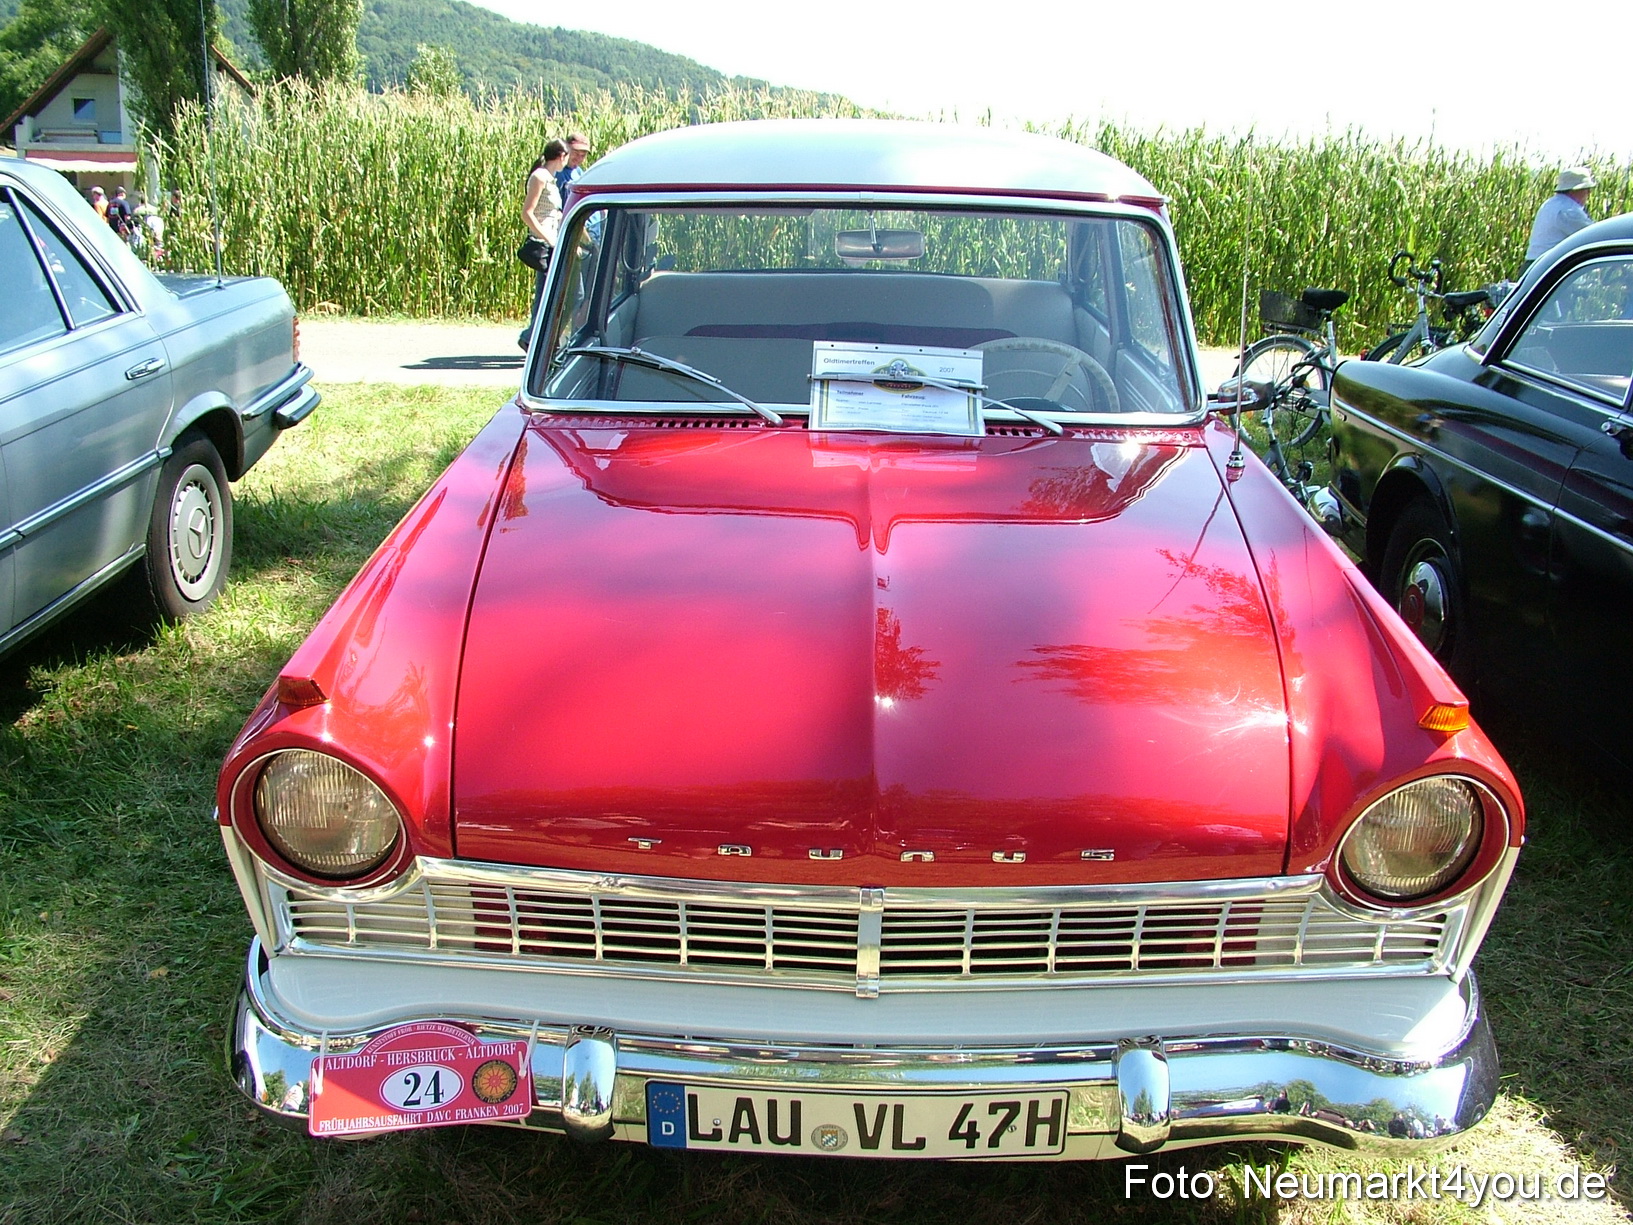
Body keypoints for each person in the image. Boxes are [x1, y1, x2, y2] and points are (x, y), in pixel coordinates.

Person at [517, 140, 568, 351]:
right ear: (561, 156)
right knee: (546, 294)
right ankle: (533, 338)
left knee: (557, 292)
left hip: (554, 241)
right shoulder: (540, 177)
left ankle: (539, 338)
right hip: (545, 243)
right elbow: (527, 212)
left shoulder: (551, 180)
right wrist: (548, 238)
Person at [1522, 166, 1596, 275]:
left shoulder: (1550, 204)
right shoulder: (1569, 210)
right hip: (1548, 269)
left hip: (1534, 266)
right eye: (1586, 189)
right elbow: (1594, 236)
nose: (1589, 193)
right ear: (1574, 190)